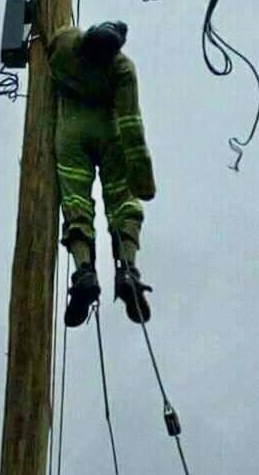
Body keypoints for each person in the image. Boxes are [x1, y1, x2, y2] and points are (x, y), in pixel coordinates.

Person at [49, 21, 156, 327]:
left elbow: (49, 56)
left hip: (71, 131)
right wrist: (142, 177)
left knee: (76, 203)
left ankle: (84, 271)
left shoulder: (65, 43)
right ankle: (127, 269)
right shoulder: (122, 69)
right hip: (110, 132)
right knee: (123, 201)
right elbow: (131, 124)